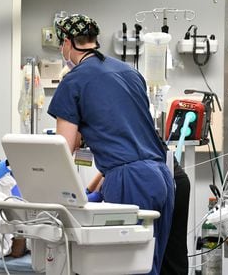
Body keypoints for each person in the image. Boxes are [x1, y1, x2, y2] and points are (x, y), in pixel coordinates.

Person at [48, 14, 174, 275]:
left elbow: (61, 150)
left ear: (68, 43)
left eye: (62, 44)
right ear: (94, 40)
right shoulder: (129, 72)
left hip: (129, 178)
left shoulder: (74, 80)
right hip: (161, 175)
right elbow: (125, 128)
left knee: (125, 269)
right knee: (150, 266)